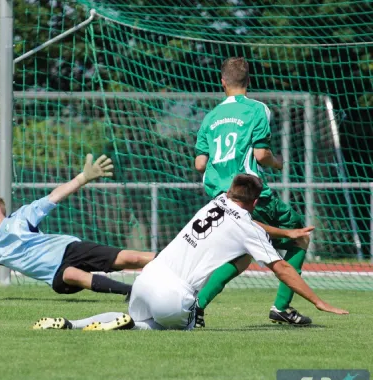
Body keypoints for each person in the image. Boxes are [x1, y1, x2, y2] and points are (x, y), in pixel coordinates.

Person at [33, 174, 348, 331]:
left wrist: (278, 234)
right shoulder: (248, 227)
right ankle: (140, 325)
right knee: (150, 328)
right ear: (253, 203)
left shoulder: (216, 201)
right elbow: (282, 269)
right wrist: (320, 302)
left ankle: (73, 324)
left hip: (147, 279)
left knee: (134, 317)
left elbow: (248, 227)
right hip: (175, 296)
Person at [0, 154, 155, 296]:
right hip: (56, 276)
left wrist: (83, 177)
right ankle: (132, 293)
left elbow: (55, 196)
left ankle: (178, 259)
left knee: (131, 258)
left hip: (69, 249)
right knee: (71, 275)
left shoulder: (22, 217)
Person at [193, 56, 314, 326]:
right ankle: (282, 307)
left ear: (222, 82)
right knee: (300, 238)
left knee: (241, 254)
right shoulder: (258, 109)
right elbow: (261, 155)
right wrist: (277, 162)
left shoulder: (210, 117)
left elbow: (200, 163)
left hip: (221, 199)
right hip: (251, 196)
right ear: (248, 81)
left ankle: (196, 309)